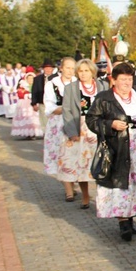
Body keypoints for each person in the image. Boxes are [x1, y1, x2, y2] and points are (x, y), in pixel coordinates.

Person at [86, 62, 136, 241]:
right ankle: (123, 221)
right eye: (123, 79)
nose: (127, 83)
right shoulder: (104, 98)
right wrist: (110, 124)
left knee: (135, 182)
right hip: (117, 146)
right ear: (114, 80)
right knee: (121, 182)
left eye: (130, 79)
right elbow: (92, 120)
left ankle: (131, 216)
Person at [60, 59, 109, 209]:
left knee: (100, 163)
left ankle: (102, 196)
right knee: (80, 164)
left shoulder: (103, 86)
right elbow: (67, 110)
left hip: (97, 128)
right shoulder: (71, 88)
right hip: (79, 128)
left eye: (86, 70)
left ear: (92, 72)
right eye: (80, 71)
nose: (83, 74)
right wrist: (72, 132)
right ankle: (85, 195)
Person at [43, 57, 78, 200]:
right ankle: (68, 189)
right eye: (68, 68)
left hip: (76, 121)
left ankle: (75, 182)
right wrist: (68, 108)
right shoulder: (52, 84)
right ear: (61, 68)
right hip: (59, 123)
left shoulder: (78, 83)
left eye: (72, 68)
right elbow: (50, 107)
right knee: (62, 154)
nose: (70, 71)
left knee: (75, 154)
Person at [10, 68, 43, 139]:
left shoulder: (36, 86)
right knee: (27, 118)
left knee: (35, 119)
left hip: (34, 104)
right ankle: (28, 133)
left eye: (32, 78)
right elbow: (20, 93)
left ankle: (36, 132)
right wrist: (27, 95)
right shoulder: (23, 86)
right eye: (29, 78)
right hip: (25, 105)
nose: (30, 80)